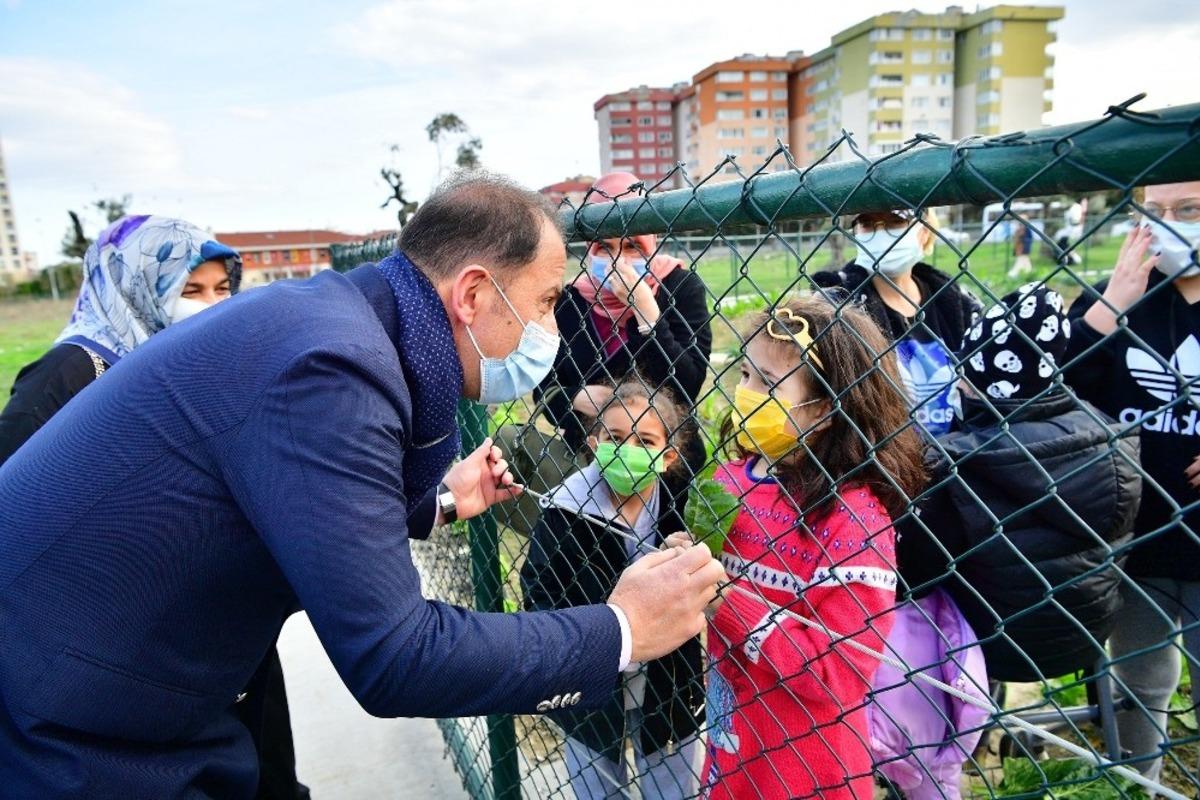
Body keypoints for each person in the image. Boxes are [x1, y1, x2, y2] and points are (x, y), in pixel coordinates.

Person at [0, 172, 725, 799]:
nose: (551, 330)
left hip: (112, 676)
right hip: (74, 720)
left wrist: (438, 503)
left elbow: (278, 500)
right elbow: (392, 656)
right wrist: (622, 628)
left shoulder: (337, 319)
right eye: (543, 303)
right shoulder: (334, 366)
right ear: (473, 294)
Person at [690, 297, 925, 800]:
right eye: (746, 374)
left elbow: (838, 673)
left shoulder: (854, 519)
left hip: (807, 773)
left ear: (823, 410)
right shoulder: (730, 483)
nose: (746, 393)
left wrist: (724, 600)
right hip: (732, 752)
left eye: (768, 383)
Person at [902, 285, 1141, 680]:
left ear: (980, 386)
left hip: (987, 645)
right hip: (1087, 632)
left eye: (963, 381)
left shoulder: (956, 461)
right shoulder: (1111, 436)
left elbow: (916, 573)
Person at [1064, 181, 1200, 784]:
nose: (1167, 224)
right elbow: (1052, 389)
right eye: (1154, 211)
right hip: (1132, 537)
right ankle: (1139, 783)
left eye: (1189, 210)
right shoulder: (1119, 301)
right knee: (1143, 681)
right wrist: (1110, 306)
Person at [521, 380, 704, 799]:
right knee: (595, 786)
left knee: (674, 786)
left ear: (669, 455)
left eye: (645, 440)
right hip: (588, 684)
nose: (627, 451)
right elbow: (537, 590)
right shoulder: (564, 508)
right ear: (593, 441)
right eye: (615, 437)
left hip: (670, 683)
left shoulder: (685, 502)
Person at [0, 215, 240, 464]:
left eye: (222, 289)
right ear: (133, 289)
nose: (214, 305)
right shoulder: (67, 373)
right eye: (190, 291)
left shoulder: (199, 361)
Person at [812, 208, 980, 437]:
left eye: (894, 222)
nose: (880, 234)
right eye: (868, 224)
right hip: (879, 458)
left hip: (959, 454)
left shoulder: (960, 304)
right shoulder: (835, 304)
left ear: (924, 230)